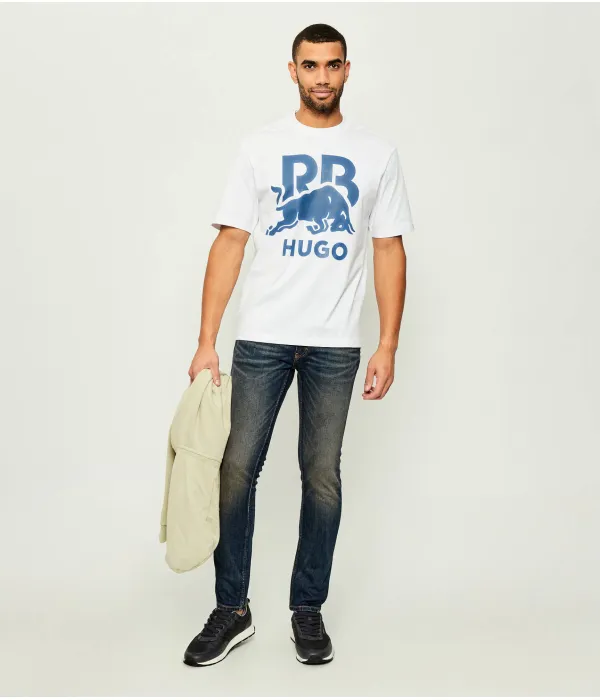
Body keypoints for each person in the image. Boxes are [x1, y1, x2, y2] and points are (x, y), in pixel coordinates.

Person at [182, 22, 415, 667]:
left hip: (334, 345)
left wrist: (388, 344)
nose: (321, 76)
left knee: (322, 479)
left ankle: (307, 609)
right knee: (236, 471)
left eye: (332, 65)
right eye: (310, 65)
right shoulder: (259, 147)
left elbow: (389, 248)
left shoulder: (376, 153)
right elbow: (230, 241)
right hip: (261, 337)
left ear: (347, 69)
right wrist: (206, 340)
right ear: (292, 71)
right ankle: (232, 609)